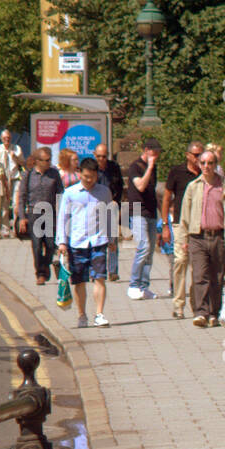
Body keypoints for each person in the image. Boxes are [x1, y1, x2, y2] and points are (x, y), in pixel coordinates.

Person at [180, 149, 225, 326]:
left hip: (219, 236)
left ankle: (214, 312)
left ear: (215, 165)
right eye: (203, 163)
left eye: (210, 163)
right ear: (199, 164)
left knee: (217, 276)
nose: (206, 166)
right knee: (200, 275)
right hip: (198, 236)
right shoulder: (193, 186)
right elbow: (185, 214)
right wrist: (184, 239)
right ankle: (201, 312)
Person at [57, 157, 113, 328]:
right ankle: (82, 315)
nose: (89, 180)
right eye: (86, 176)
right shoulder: (70, 193)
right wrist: (62, 242)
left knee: (100, 278)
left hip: (99, 240)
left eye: (93, 176)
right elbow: (63, 218)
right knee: (79, 281)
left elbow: (109, 214)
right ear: (79, 173)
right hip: (77, 242)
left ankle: (99, 314)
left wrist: (112, 238)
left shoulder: (104, 192)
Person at [165, 141, 204, 318]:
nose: (198, 159)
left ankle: (198, 303)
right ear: (188, 155)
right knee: (181, 261)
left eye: (201, 155)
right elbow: (167, 198)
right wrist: (165, 224)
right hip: (181, 222)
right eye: (195, 155)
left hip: (201, 223)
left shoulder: (207, 172)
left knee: (199, 265)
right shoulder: (177, 172)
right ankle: (178, 304)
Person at [16, 147, 63, 285]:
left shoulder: (54, 173)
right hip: (34, 213)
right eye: (46, 160)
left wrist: (61, 214)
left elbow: (60, 193)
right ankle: (40, 273)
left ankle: (45, 265)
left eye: (50, 159)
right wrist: (22, 217)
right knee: (36, 245)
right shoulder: (28, 175)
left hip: (49, 212)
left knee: (50, 244)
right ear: (38, 161)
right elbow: (22, 196)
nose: (49, 162)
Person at [125, 138, 162, 300]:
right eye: (155, 151)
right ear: (146, 150)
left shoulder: (153, 168)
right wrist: (150, 167)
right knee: (143, 246)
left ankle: (143, 286)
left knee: (150, 251)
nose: (157, 155)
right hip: (137, 210)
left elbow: (152, 191)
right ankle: (133, 284)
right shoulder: (135, 167)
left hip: (151, 212)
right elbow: (140, 186)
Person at [93, 143, 124, 281]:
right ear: (95, 155)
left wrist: (117, 201)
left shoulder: (113, 168)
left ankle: (112, 271)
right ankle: (96, 270)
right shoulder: (91, 168)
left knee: (112, 239)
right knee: (96, 239)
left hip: (111, 205)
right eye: (99, 156)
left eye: (104, 156)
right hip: (95, 207)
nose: (101, 159)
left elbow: (120, 185)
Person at [0, 130, 25, 229]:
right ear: (1, 139)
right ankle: (5, 228)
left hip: (15, 177)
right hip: (3, 179)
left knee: (16, 203)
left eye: (8, 138)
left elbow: (23, 163)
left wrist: (15, 157)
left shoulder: (17, 149)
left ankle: (16, 228)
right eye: (4, 138)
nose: (7, 140)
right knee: (4, 204)